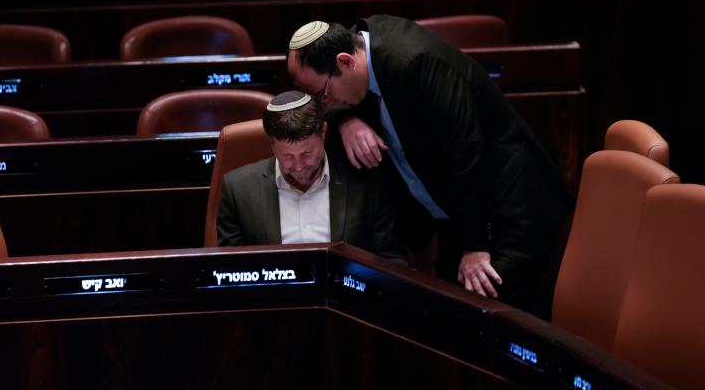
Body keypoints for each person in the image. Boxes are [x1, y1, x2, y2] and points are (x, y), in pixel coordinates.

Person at [285, 17, 571, 317]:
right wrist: (345, 118)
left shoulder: (416, 62)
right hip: (459, 215)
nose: (324, 105)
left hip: (509, 211)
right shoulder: (360, 43)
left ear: (344, 62)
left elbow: (466, 154)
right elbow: (338, 93)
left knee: (491, 323)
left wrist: (475, 246)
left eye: (323, 96)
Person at [217, 91, 405, 261]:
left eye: (307, 154)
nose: (298, 166)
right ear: (272, 144)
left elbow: (390, 261)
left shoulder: (366, 181)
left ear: (323, 132)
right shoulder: (238, 190)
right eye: (287, 156)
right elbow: (232, 271)